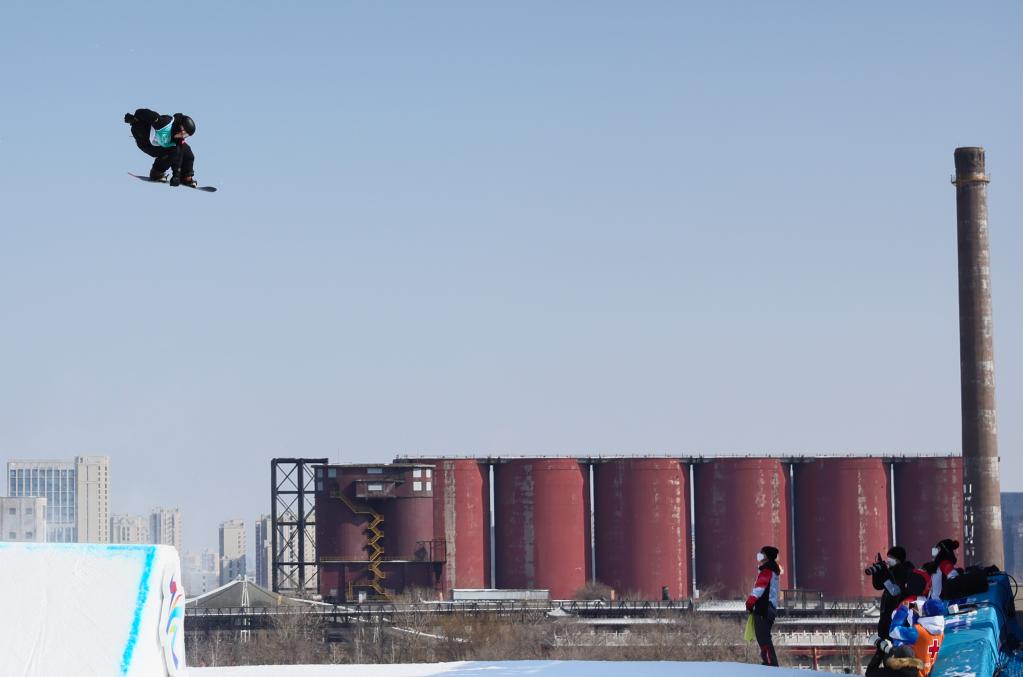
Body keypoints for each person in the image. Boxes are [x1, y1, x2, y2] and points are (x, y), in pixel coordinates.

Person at [123, 109, 198, 187]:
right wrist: (133, 119)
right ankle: (156, 173)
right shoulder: (165, 124)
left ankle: (185, 177)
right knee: (174, 151)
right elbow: (145, 113)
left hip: (160, 145)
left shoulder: (178, 139)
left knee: (188, 154)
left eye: (186, 135)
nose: (183, 136)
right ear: (180, 127)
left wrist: (176, 176)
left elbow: (179, 157)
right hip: (146, 143)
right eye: (184, 133)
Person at [870, 546, 916, 640]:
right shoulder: (891, 570)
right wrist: (877, 572)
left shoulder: (904, 571)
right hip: (887, 610)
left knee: (892, 635)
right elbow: (878, 585)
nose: (888, 560)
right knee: (884, 633)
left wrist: (884, 573)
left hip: (897, 609)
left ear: (898, 559)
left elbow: (894, 590)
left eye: (891, 557)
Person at [745, 545, 781, 667]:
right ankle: (769, 662)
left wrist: (749, 603)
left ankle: (770, 663)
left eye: (762, 553)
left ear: (767, 556)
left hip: (763, 608)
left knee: (763, 638)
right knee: (765, 637)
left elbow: (758, 590)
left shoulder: (766, 571)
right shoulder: (774, 571)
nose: (759, 555)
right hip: (771, 608)